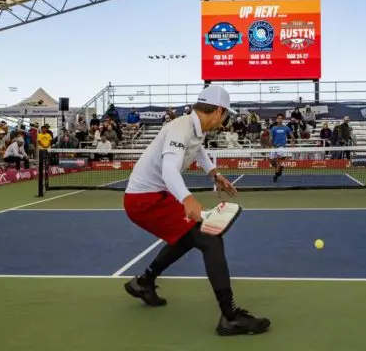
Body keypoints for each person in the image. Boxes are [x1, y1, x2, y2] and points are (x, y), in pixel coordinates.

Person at [122, 85, 271, 336]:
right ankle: (230, 316)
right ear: (219, 111)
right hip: (144, 201)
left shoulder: (195, 127)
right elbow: (170, 170)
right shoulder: (180, 128)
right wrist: (187, 199)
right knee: (210, 238)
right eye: (226, 115)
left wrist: (214, 173)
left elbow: (198, 150)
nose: (225, 119)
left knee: (188, 237)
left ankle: (144, 282)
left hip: (153, 196)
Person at [269, 113, 292, 182]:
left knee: (277, 160)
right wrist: (271, 144)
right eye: (278, 118)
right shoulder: (273, 128)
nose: (280, 119)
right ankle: (279, 168)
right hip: (274, 146)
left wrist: (292, 141)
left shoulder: (286, 128)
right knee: (271, 161)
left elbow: (292, 136)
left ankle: (276, 175)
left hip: (282, 147)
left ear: (282, 120)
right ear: (276, 119)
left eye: (281, 118)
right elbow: (270, 138)